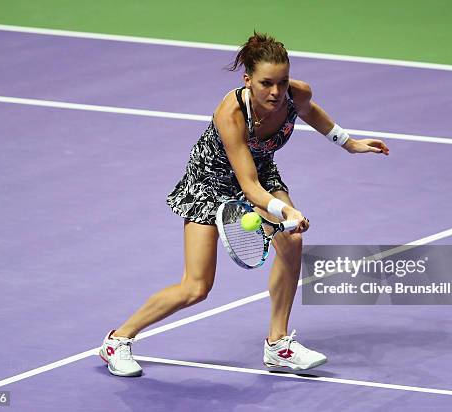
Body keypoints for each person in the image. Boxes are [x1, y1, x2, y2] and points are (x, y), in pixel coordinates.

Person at [99, 32, 389, 377]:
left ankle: (278, 344)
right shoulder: (231, 113)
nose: (276, 92)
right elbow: (247, 186)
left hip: (260, 171)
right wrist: (286, 211)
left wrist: (349, 143)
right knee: (196, 288)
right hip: (211, 184)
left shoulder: (296, 94)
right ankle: (118, 340)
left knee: (292, 240)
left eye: (282, 82)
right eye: (267, 83)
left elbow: (310, 112)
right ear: (247, 80)